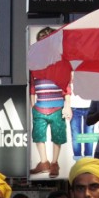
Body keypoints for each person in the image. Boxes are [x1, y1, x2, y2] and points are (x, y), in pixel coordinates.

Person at [31, 28, 69, 177]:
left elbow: (66, 84)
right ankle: (44, 162)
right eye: (41, 39)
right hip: (40, 105)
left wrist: (67, 104)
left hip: (57, 104)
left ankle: (54, 163)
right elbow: (32, 85)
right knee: (38, 135)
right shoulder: (34, 60)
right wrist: (32, 104)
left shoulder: (61, 60)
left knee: (57, 134)